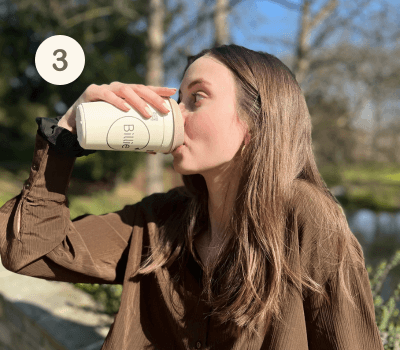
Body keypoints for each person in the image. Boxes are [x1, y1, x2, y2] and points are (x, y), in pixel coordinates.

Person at [0, 44, 384, 350]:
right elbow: (28, 250)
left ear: (255, 121)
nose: (175, 114)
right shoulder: (159, 219)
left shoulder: (306, 218)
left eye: (196, 98)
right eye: (178, 98)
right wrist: (64, 138)